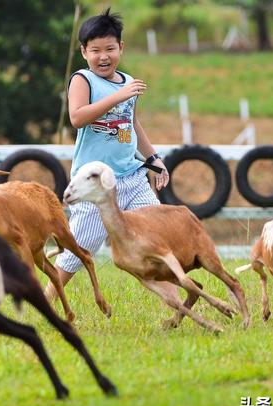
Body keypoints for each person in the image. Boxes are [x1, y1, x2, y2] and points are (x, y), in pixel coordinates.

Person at [45, 8, 170, 300]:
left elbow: (133, 124)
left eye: (110, 49)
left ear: (121, 48)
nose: (104, 57)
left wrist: (154, 160)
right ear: (84, 52)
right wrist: (117, 96)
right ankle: (47, 302)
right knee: (80, 249)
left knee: (156, 235)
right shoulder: (83, 79)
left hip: (132, 177)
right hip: (94, 183)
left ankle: (178, 301)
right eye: (96, 50)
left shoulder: (128, 82)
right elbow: (77, 117)